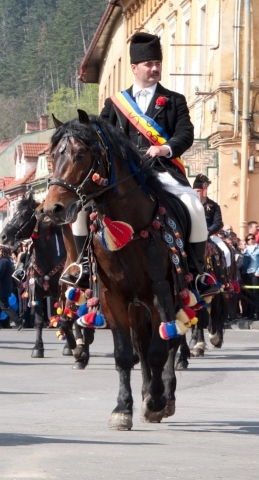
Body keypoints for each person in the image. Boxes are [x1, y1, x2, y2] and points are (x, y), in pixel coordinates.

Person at [64, 31, 216, 298]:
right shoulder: (115, 104)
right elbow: (100, 137)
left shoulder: (174, 100)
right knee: (79, 211)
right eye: (149, 64)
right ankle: (82, 267)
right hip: (123, 176)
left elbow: (185, 133)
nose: (155, 68)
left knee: (193, 205)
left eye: (158, 63)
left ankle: (197, 272)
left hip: (163, 172)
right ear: (134, 68)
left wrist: (165, 148)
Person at [0, 245, 22, 330]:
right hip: (1, 287)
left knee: (4, 306)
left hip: (1, 288)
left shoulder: (3, 261)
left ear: (1, 252)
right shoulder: (6, 261)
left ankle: (19, 320)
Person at [242, 233, 259, 319]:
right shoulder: (246, 250)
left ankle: (257, 312)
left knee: (256, 293)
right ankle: (250, 312)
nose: (250, 240)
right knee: (249, 294)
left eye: (252, 238)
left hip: (256, 272)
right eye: (248, 239)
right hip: (247, 273)